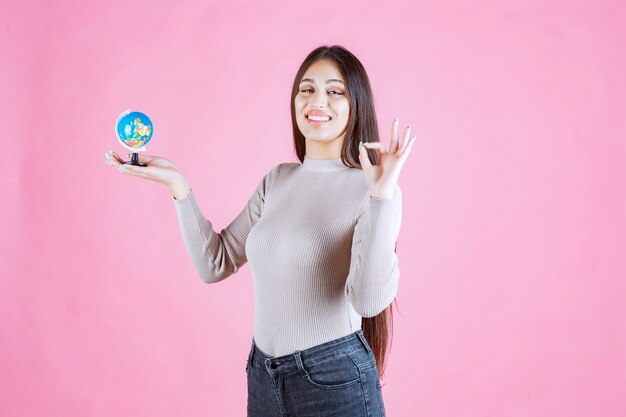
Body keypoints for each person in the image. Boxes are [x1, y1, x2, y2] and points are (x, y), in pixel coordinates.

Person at [104, 44, 415, 417]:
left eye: (335, 91)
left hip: (333, 379)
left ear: (356, 105)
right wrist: (178, 186)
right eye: (307, 89)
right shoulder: (277, 181)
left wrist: (381, 195)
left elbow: (367, 302)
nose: (318, 100)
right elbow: (214, 263)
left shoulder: (374, 189)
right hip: (263, 375)